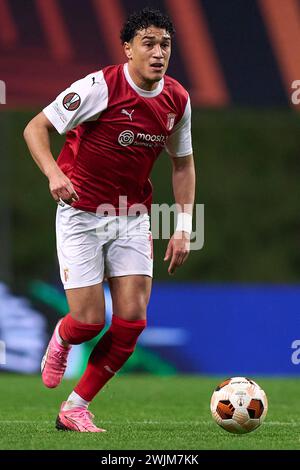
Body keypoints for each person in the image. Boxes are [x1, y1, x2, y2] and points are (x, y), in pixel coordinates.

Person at [23, 7, 195, 433]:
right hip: (81, 213)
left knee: (132, 322)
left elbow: (183, 165)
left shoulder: (177, 99)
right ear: (128, 48)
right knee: (88, 322)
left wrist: (184, 226)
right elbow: (35, 128)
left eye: (165, 45)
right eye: (148, 44)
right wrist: (54, 173)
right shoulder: (99, 87)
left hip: (133, 216)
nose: (158, 53)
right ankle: (63, 338)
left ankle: (76, 406)